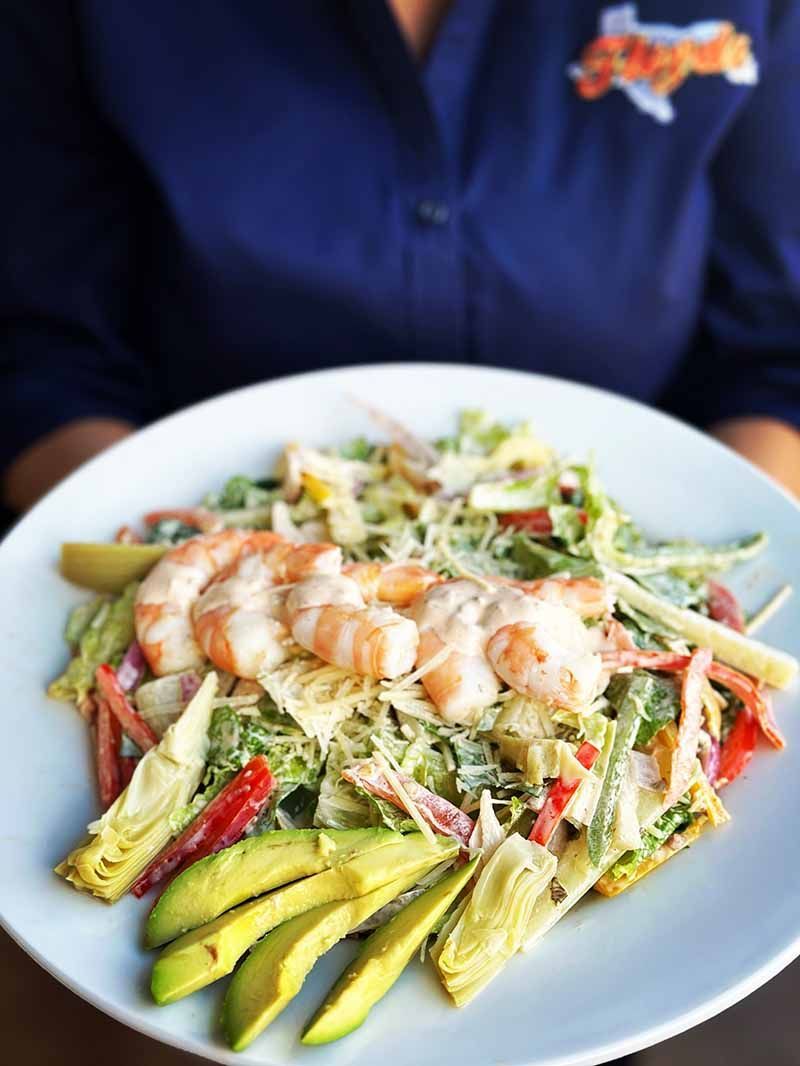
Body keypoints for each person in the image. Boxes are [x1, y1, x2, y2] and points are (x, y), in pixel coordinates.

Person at [1, 0, 798, 518]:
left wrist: (709, 584)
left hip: (644, 531)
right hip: (194, 527)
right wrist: (162, 558)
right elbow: (41, 355)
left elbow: (778, 354)